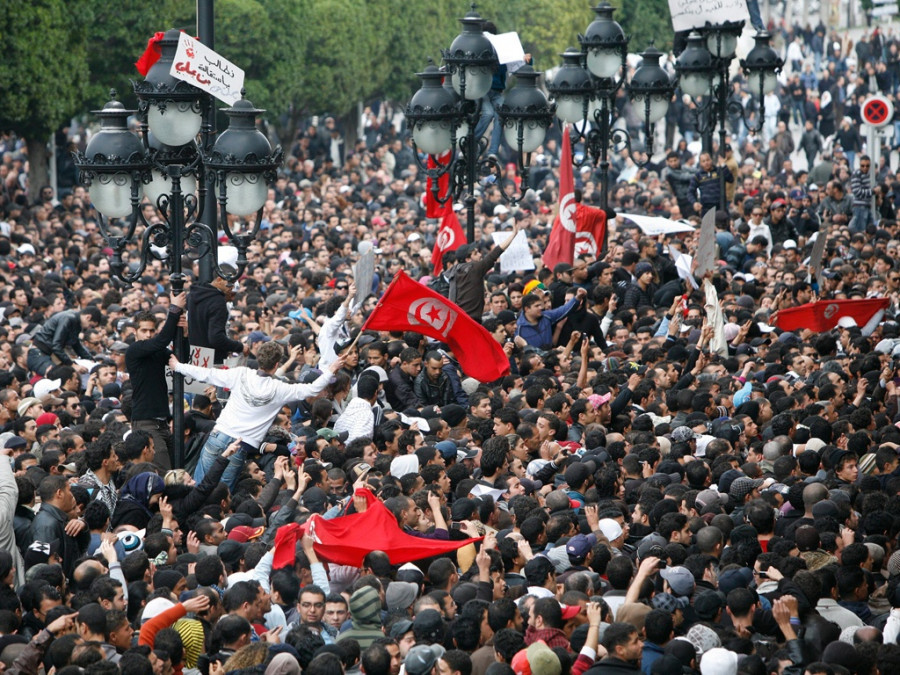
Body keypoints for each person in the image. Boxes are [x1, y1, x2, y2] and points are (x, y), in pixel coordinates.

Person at [170, 342, 345, 489]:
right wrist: (331, 370)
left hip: (218, 437)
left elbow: (207, 374)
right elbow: (312, 389)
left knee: (200, 486)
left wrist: (178, 366)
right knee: (221, 492)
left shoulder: (241, 374)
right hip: (239, 445)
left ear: (259, 359)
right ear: (276, 364)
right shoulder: (280, 388)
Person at [125, 292, 187, 472]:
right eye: (144, 330)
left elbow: (181, 358)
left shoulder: (157, 350)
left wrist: (184, 335)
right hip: (146, 421)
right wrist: (174, 310)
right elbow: (161, 341)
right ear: (135, 332)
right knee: (164, 473)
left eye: (152, 330)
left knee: (176, 469)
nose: (148, 334)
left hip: (162, 423)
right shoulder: (134, 350)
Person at [27, 307, 101, 376]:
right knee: (58, 376)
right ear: (88, 317)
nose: (89, 328)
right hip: (39, 353)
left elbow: (76, 345)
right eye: (90, 325)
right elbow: (56, 345)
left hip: (49, 353)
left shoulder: (76, 322)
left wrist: (91, 360)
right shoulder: (68, 318)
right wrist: (72, 365)